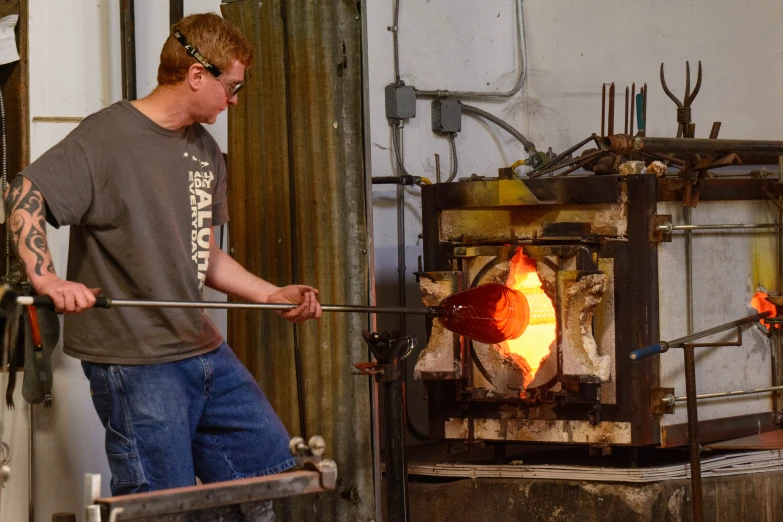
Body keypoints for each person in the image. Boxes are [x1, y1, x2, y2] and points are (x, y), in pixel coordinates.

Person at [4, 13, 321, 495]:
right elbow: (25, 193)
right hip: (135, 358)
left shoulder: (205, 151)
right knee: (161, 503)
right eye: (230, 86)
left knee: (269, 477)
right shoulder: (106, 137)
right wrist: (47, 279)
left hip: (199, 345)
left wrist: (271, 293)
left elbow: (204, 254)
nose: (234, 99)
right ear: (198, 75)